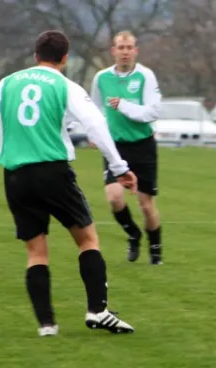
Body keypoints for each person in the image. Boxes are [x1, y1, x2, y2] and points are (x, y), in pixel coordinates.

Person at [0, 30, 137, 336]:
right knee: (87, 240)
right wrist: (119, 166)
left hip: (16, 175)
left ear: (35, 57)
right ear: (65, 59)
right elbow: (95, 123)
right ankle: (97, 311)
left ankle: (47, 326)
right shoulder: (64, 84)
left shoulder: (9, 81)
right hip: (52, 170)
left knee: (36, 251)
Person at [90, 31, 163, 265]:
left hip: (143, 146)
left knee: (145, 204)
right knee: (114, 198)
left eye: (129, 47)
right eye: (120, 47)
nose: (124, 52)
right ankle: (133, 234)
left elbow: (152, 112)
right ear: (113, 51)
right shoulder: (101, 78)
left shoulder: (145, 76)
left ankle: (155, 249)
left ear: (135, 51)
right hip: (115, 147)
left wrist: (124, 106)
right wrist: (94, 132)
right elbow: (94, 110)